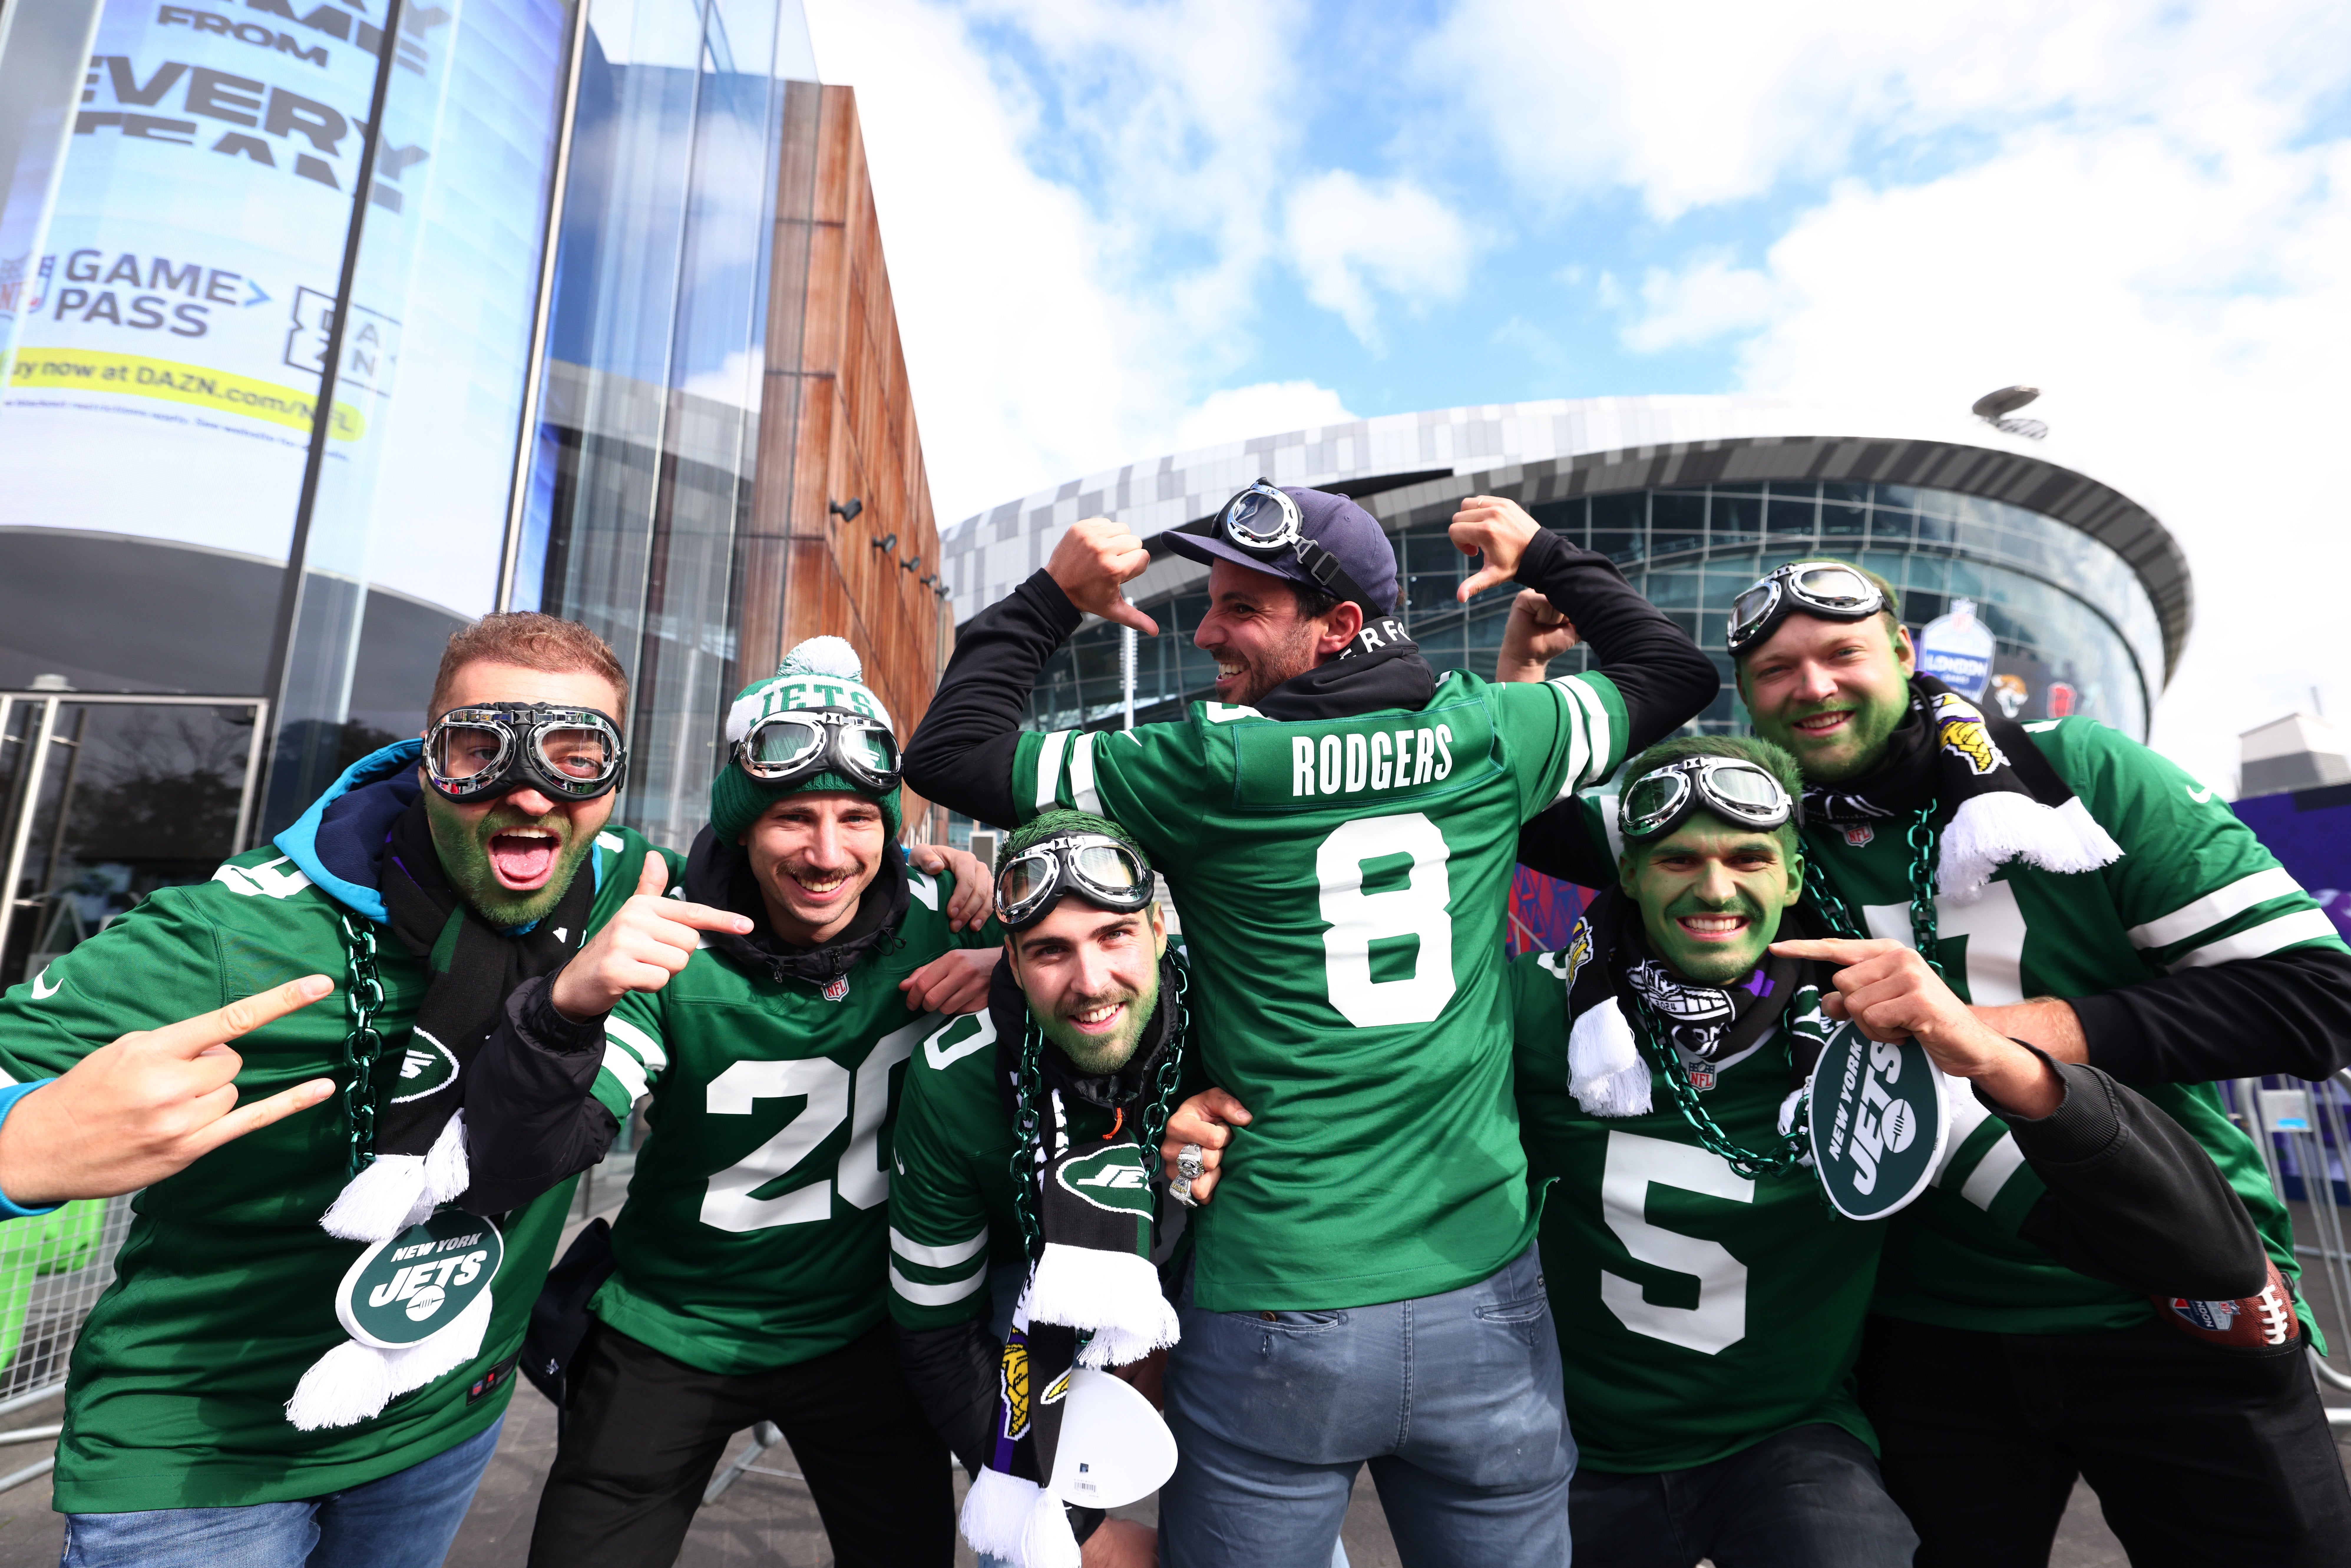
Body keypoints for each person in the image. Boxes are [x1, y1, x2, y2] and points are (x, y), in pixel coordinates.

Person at [904, 483, 1720, 1567]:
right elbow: (1676, 673)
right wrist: (1546, 556)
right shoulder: (1490, 730)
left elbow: (952, 752)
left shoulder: (1209, 763)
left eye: (1242, 607)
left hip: (1279, 1300)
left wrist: (1052, 598)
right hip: (1481, 1299)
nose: (1205, 629)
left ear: (1338, 628)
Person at [1509, 560, 2351, 1566]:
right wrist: (1530, 666)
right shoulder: (1760, 823)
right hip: (1922, 1328)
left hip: (2150, 1290)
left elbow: (2319, 999)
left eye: (1842, 653)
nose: (1812, 685)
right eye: (1776, 669)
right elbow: (1524, 813)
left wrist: (1994, 1035)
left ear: (1905, 655)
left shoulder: (2077, 772)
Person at [0, 613, 749, 1566]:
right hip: (204, 1453)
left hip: (443, 1417)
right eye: (482, 750)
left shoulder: (625, 891)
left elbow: (798, 881)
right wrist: (20, 1146)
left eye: (575, 754)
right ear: (429, 755)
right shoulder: (239, 937)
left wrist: (948, 890)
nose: (530, 789)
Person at [520, 636, 999, 1568]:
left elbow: (1110, 971)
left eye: (858, 817)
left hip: (866, 1332)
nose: (828, 853)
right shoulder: (670, 942)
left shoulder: (948, 918)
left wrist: (1014, 965)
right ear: (740, 826)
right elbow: (577, 1124)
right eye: (792, 818)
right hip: (671, 1329)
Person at [888, 809, 1193, 1568]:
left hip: (1218, 1283)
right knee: (1034, 1550)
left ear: (1159, 931)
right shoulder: (956, 1078)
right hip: (1031, 1293)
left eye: (1114, 936)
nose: (1091, 985)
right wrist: (1080, 1532)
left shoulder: (1231, 1014)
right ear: (1012, 967)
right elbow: (936, 1336)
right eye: (1051, 951)